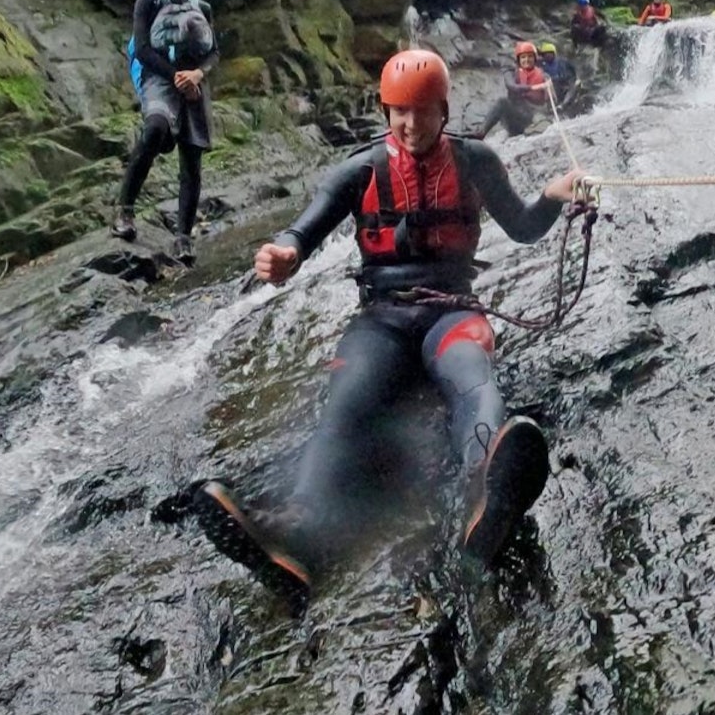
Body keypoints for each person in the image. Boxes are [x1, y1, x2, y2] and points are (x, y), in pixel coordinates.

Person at [190, 50, 584, 605]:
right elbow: (306, 227)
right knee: (348, 398)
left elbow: (521, 227)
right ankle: (294, 532)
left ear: (444, 111)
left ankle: (486, 494)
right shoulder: (360, 169)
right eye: (399, 111)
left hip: (451, 310)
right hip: (382, 319)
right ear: (385, 110)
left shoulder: (477, 162)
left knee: (472, 373)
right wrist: (285, 252)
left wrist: (552, 196)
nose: (410, 123)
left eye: (423, 111)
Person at [111, 0, 219, 267]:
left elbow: (214, 51)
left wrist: (197, 74)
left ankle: (183, 236)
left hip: (193, 82)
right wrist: (174, 76)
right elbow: (142, 49)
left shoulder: (202, 6)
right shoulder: (148, 1)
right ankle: (125, 209)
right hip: (160, 77)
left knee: (192, 159)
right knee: (155, 129)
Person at [475, 41, 550, 139]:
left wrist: (549, 88)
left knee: (540, 116)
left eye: (530, 57)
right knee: (502, 101)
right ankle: (481, 132)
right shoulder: (511, 72)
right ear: (518, 60)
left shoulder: (543, 75)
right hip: (516, 119)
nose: (527, 60)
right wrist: (534, 87)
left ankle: (537, 127)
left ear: (535, 58)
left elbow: (550, 100)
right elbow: (511, 86)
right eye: (523, 57)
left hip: (533, 115)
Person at [537, 41, 580, 111]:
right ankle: (553, 107)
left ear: (554, 53)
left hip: (565, 84)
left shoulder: (562, 61)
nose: (547, 55)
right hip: (553, 87)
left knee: (574, 86)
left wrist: (577, 78)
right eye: (545, 54)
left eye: (549, 53)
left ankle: (563, 105)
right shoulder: (541, 64)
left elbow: (574, 69)